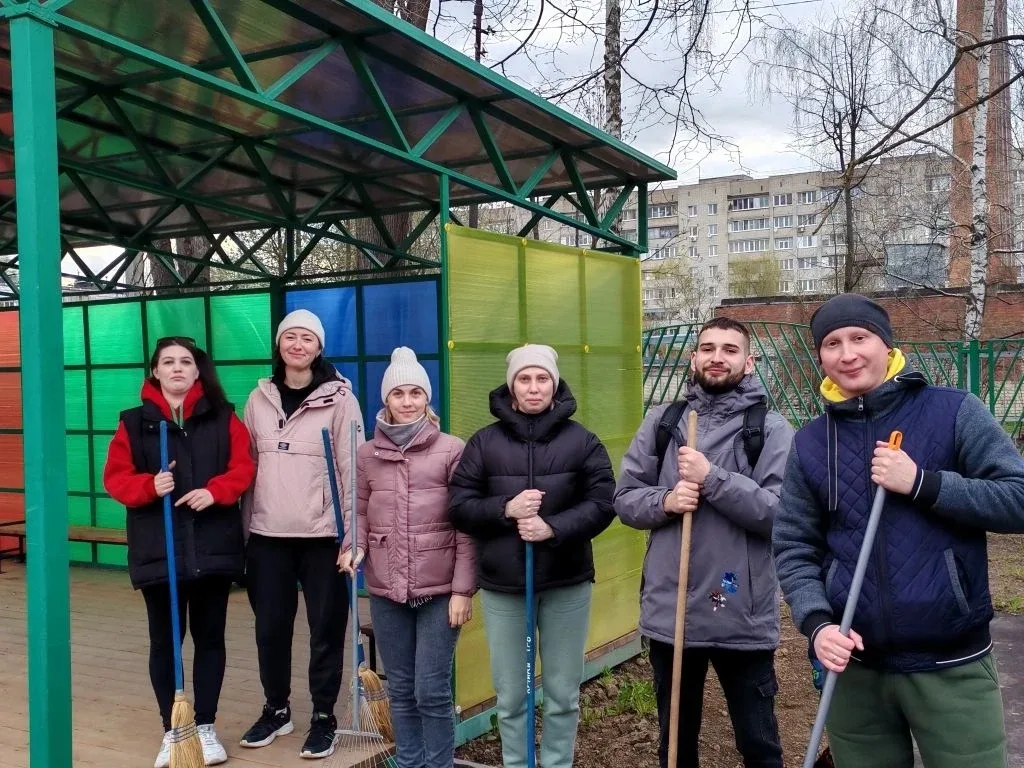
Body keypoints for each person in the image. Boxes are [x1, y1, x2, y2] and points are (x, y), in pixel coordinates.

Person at [774, 293, 1024, 768]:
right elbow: (793, 545)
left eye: (860, 338)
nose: (847, 354)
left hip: (952, 665)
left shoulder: (953, 411)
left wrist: (923, 484)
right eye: (831, 343)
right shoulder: (810, 442)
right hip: (856, 671)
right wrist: (817, 624)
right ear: (820, 357)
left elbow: (1017, 499)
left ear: (887, 345)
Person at [614, 317, 793, 768]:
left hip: (736, 605)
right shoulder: (663, 421)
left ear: (748, 362)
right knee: (676, 745)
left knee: (758, 743)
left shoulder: (770, 429)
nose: (717, 357)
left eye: (730, 349)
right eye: (708, 348)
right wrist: (667, 500)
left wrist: (713, 478)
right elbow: (626, 499)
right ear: (693, 358)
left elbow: (780, 514)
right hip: (671, 608)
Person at [448, 343, 616, 768]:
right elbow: (459, 506)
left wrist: (552, 527)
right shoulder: (484, 443)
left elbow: (603, 502)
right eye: (524, 379)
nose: (534, 387)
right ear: (512, 386)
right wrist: (505, 509)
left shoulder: (582, 441)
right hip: (505, 587)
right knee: (511, 695)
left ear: (555, 384)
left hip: (566, 583)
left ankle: (557, 763)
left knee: (562, 693)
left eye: (542, 378)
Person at [103, 336, 256, 768]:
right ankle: (173, 732)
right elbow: (116, 478)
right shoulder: (134, 423)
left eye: (185, 362)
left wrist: (215, 491)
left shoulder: (223, 417)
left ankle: (204, 727)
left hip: (212, 547)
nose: (176, 368)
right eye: (167, 362)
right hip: (160, 548)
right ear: (155, 371)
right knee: (165, 641)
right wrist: (150, 486)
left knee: (210, 638)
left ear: (197, 370)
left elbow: (244, 467)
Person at [337, 346, 475, 768]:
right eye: (398, 393)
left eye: (416, 393)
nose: (408, 401)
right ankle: (410, 762)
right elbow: (359, 510)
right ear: (386, 399)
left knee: (430, 689)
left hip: (439, 591)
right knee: (400, 687)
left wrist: (463, 590)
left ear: (426, 398)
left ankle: (440, 763)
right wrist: (354, 546)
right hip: (386, 590)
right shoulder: (368, 454)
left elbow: (467, 524)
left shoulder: (451, 450)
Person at [240, 309, 365, 759]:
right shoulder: (259, 398)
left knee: (326, 630)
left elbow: (353, 470)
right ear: (279, 344)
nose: (297, 344)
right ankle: (276, 709)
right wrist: (243, 535)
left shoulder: (341, 399)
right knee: (270, 629)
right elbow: (247, 469)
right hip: (267, 534)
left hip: (323, 536)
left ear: (319, 347)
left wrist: (353, 536)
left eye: (307, 338)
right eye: (290, 336)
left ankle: (323, 717)